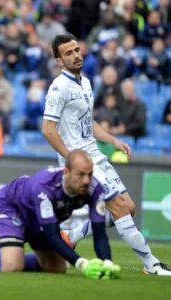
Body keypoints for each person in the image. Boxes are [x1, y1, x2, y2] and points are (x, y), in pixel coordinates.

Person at [41, 34, 171, 276]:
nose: (76, 55)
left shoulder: (87, 83)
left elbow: (88, 122)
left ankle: (70, 236)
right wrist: (71, 159)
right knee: (119, 206)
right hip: (80, 161)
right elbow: (47, 129)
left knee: (128, 208)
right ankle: (151, 265)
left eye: (77, 49)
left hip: (95, 154)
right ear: (59, 61)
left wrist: (113, 140)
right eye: (68, 53)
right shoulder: (58, 88)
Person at [0, 150, 121, 280]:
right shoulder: (44, 187)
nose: (86, 180)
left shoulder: (94, 189)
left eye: (90, 174)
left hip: (38, 218)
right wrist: (82, 264)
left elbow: (99, 233)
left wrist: (107, 263)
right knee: (12, 267)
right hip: (12, 207)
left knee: (56, 268)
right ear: (66, 172)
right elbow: (52, 235)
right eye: (80, 175)